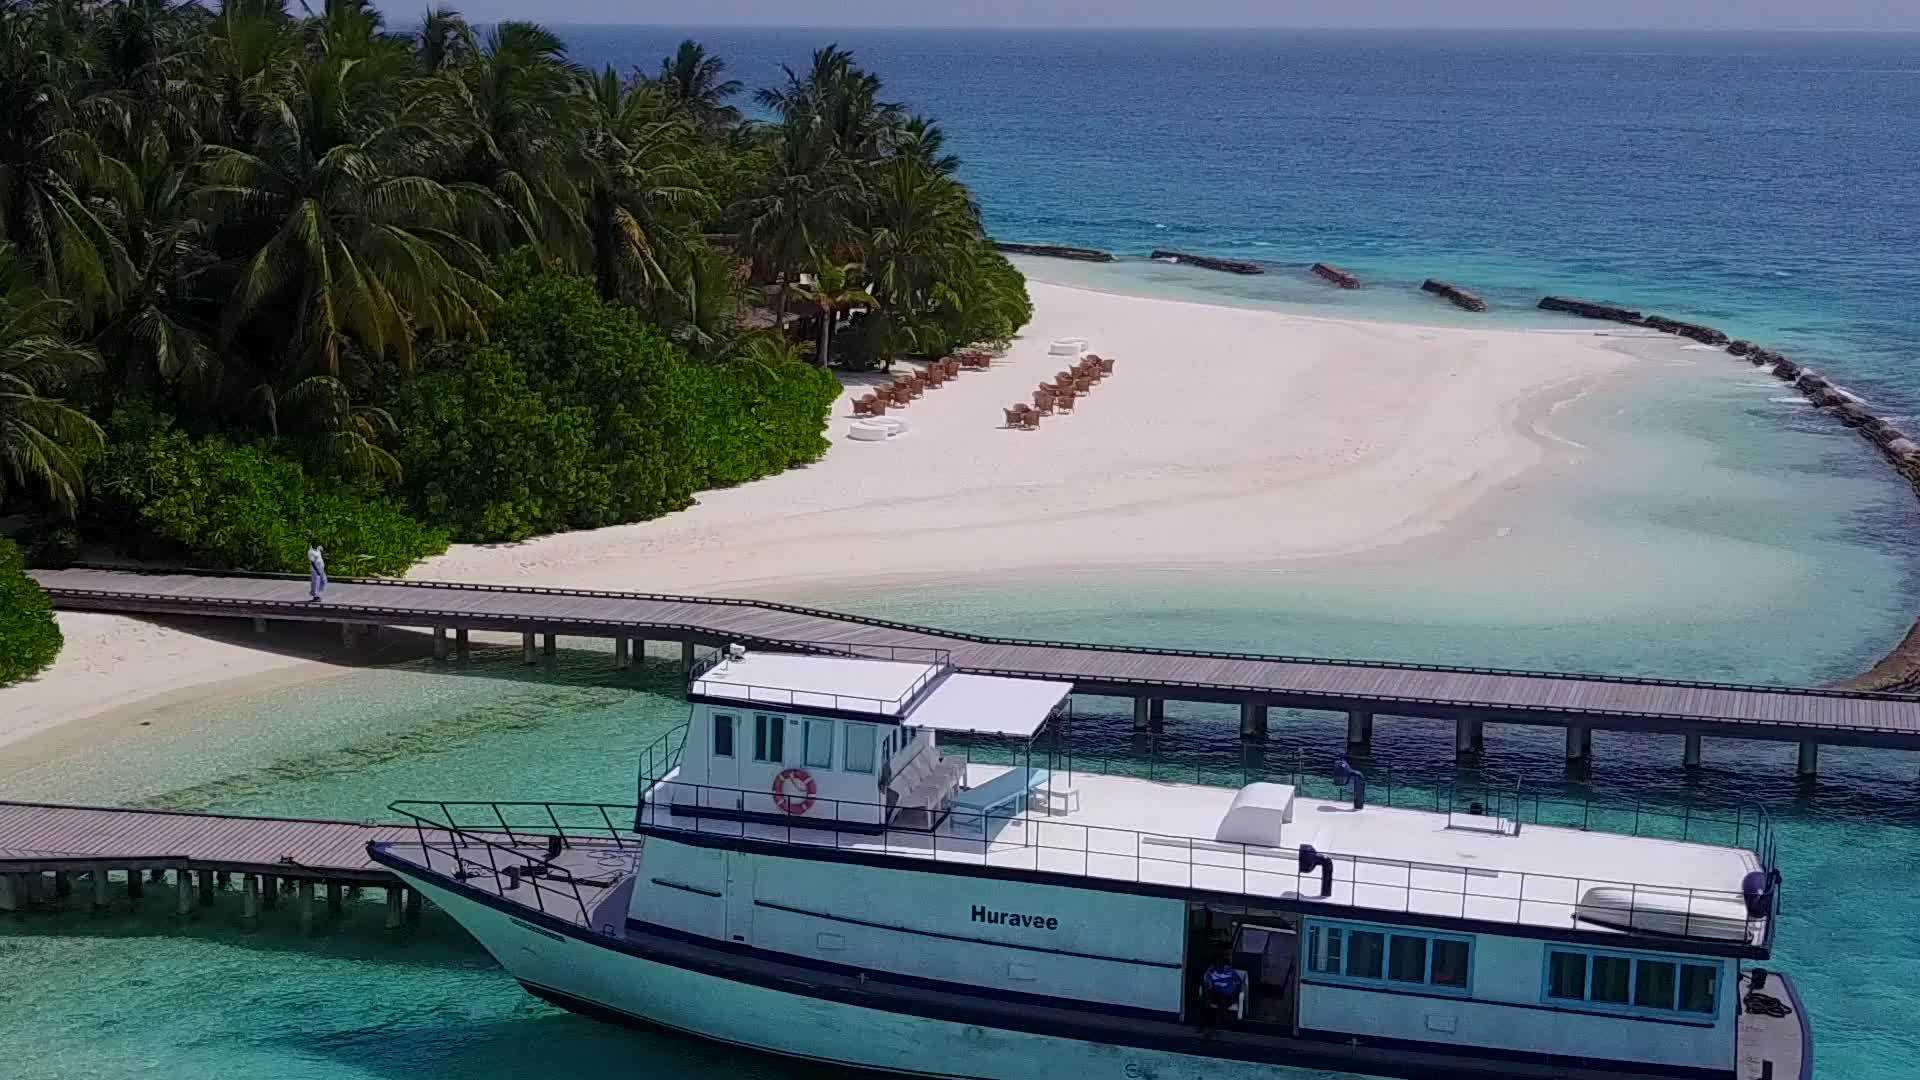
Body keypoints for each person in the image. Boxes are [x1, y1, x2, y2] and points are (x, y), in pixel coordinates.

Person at [1199, 954, 1244, 1027]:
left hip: (1229, 995)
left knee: (1222, 1000)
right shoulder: (1211, 972)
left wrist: (1234, 992)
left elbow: (1239, 983)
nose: (1218, 965)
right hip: (1217, 994)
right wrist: (1208, 973)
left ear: (1223, 963)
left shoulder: (1230, 971)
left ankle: (1216, 1022)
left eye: (1220, 963)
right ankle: (1212, 1021)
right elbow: (1207, 985)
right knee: (1209, 997)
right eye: (1216, 964)